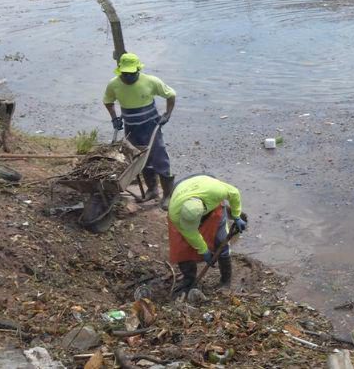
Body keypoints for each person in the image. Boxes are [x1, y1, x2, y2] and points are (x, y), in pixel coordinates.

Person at [104, 53, 176, 208]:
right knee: (140, 159)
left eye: (132, 73)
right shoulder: (114, 84)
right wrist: (114, 118)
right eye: (125, 74)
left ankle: (168, 195)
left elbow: (171, 95)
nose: (128, 77)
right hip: (132, 128)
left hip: (151, 126)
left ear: (138, 69)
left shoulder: (151, 81)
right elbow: (108, 101)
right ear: (120, 71)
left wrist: (167, 115)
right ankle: (152, 190)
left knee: (160, 159)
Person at [167, 174, 247, 292]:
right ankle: (189, 279)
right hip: (182, 188)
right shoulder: (175, 213)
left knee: (221, 241)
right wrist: (204, 250)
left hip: (206, 189)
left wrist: (236, 215)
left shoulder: (215, 191)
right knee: (181, 246)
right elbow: (190, 234)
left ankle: (225, 281)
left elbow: (234, 193)